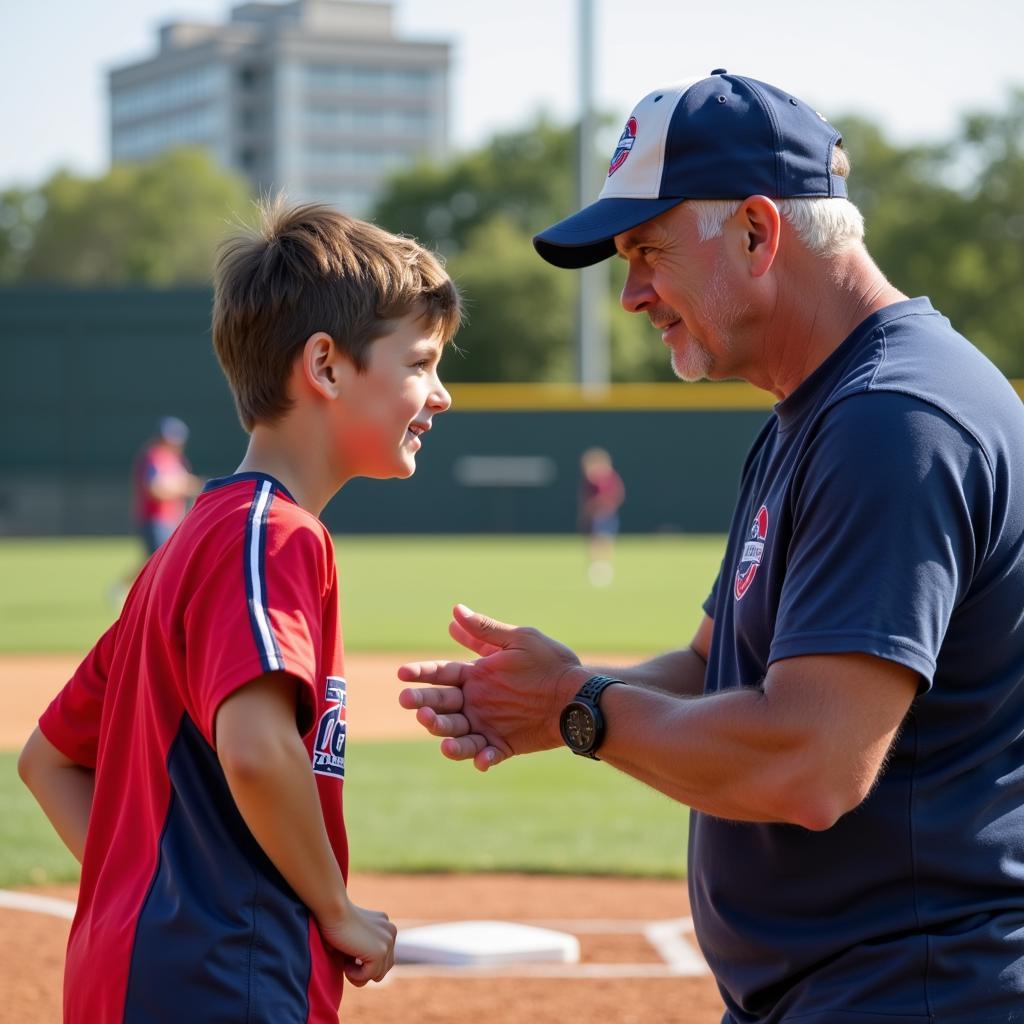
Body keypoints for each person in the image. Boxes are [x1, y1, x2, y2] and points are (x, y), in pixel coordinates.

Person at [397, 71, 1024, 1023]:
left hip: (917, 989)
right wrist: (555, 700)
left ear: (759, 233)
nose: (632, 295)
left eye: (647, 250)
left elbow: (811, 762)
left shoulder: (894, 420)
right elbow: (711, 667)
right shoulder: (816, 412)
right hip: (854, 985)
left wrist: (582, 709)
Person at [18, 199, 460, 1023]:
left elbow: (47, 761)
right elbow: (256, 751)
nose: (440, 396)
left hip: (151, 977)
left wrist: (156, 899)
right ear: (325, 367)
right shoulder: (274, 536)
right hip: (223, 988)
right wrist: (334, 907)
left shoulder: (188, 548)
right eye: (421, 363)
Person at [133, 415, 202, 557]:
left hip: (173, 521)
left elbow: (187, 482)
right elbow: (155, 489)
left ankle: (124, 581)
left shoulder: (177, 459)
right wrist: (184, 488)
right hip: (157, 521)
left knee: (163, 564)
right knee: (162, 565)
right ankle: (125, 581)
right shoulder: (154, 456)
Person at [578, 447, 625, 586]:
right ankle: (595, 567)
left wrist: (601, 507)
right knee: (593, 541)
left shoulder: (607, 478)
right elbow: (584, 498)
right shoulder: (589, 480)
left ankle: (604, 568)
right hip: (593, 515)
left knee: (604, 541)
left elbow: (616, 495)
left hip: (605, 515)